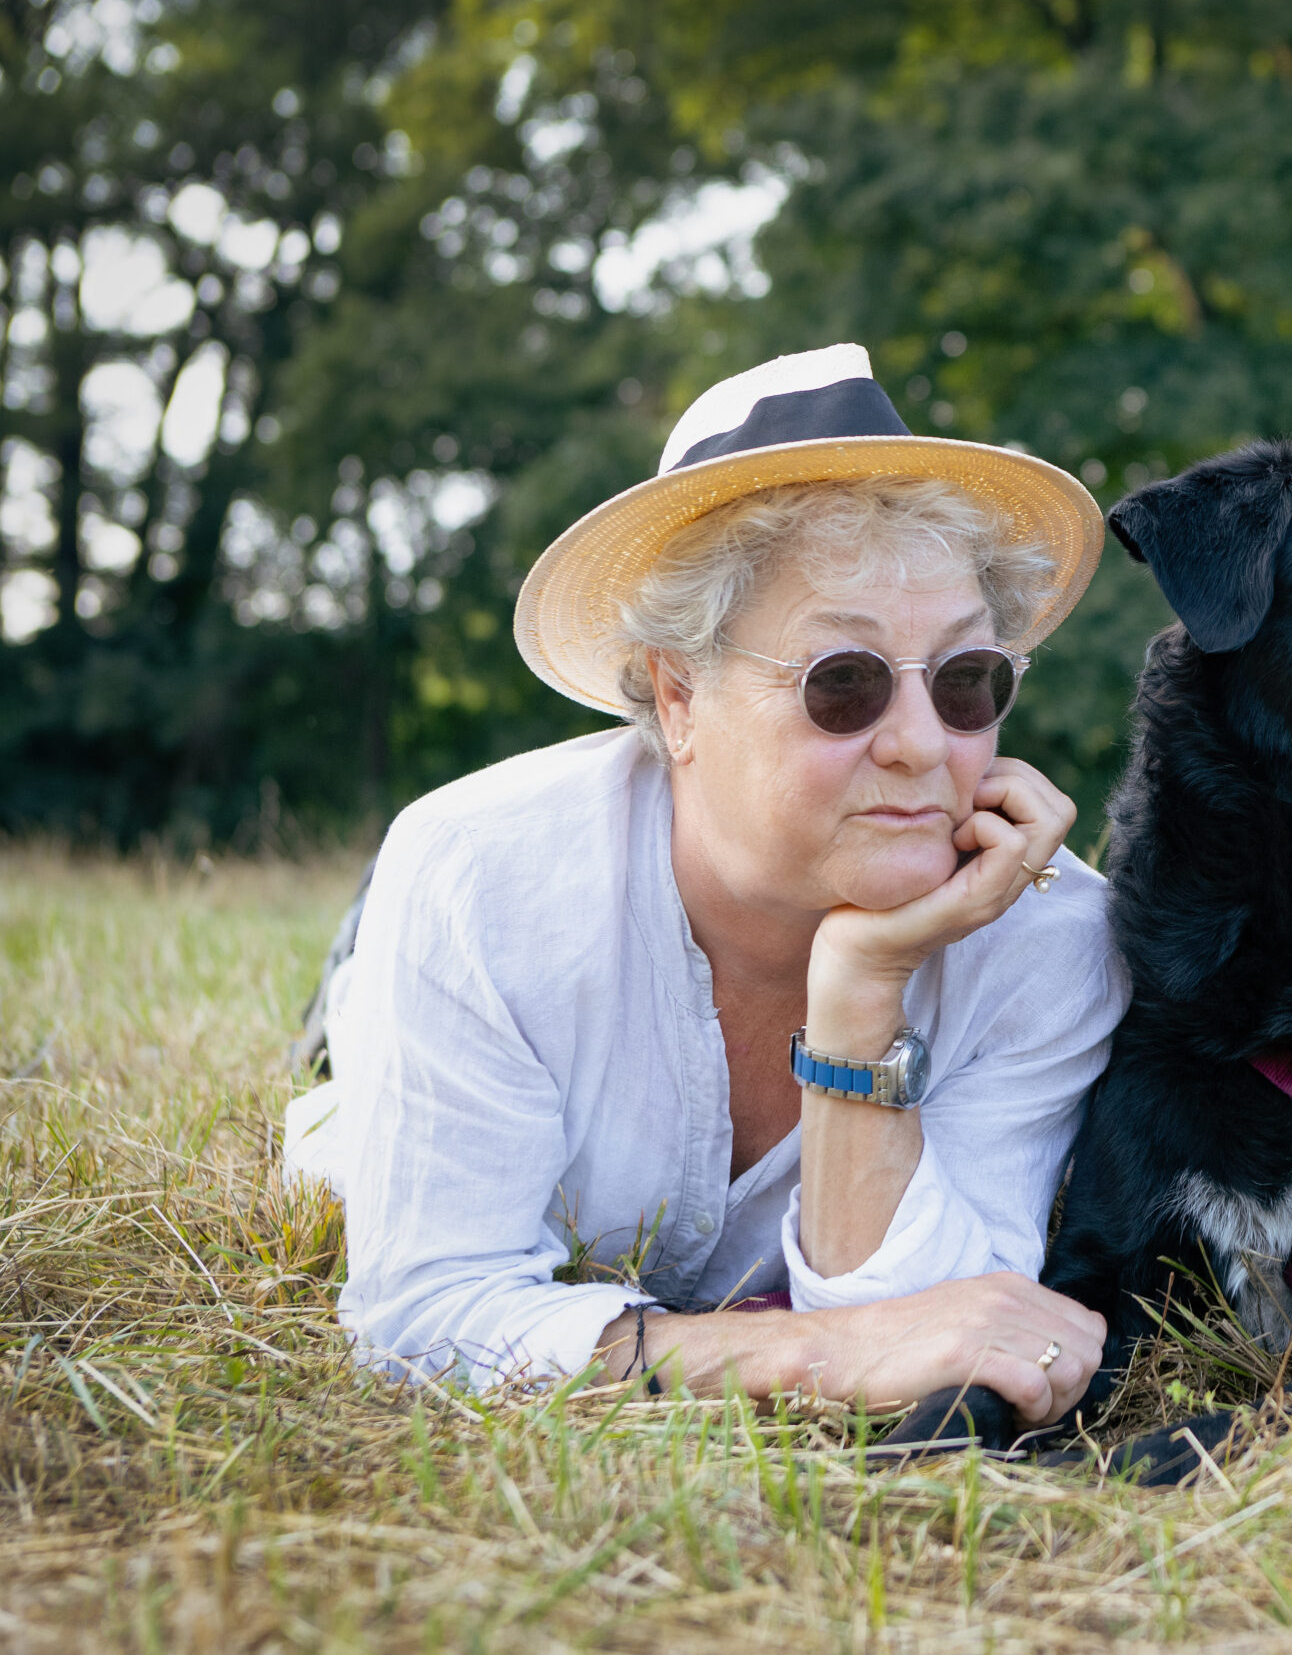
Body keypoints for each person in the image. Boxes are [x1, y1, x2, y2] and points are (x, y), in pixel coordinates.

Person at [282, 343, 1123, 1427]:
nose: (923, 744)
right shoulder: (477, 874)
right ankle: (349, 997)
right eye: (845, 683)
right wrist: (809, 1353)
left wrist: (863, 989)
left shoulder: (1055, 935)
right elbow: (423, 1320)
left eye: (966, 680)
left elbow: (948, 1330)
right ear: (677, 699)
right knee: (331, 1135)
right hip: (439, 942)